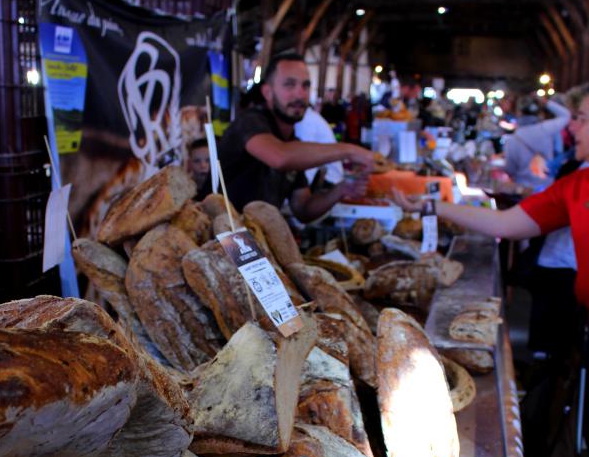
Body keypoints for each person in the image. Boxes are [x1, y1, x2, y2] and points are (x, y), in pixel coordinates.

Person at [392, 84, 589, 309]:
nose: (573, 128)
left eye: (582, 119)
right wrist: (431, 205)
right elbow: (505, 223)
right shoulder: (576, 185)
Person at [218, 51, 374, 222]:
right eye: (289, 85)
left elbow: (303, 208)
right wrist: (349, 150)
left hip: (253, 242)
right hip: (219, 238)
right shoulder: (249, 122)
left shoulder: (292, 145)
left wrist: (342, 190)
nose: (300, 94)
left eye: (305, 86)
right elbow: (279, 157)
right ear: (268, 92)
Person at [502, 95, 571, 190]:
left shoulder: (512, 139)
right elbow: (566, 115)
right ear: (538, 113)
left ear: (519, 113)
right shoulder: (546, 128)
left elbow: (510, 169)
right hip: (546, 187)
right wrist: (546, 102)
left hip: (522, 189)